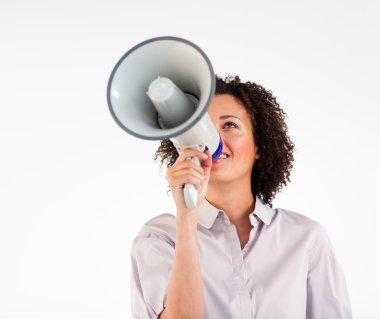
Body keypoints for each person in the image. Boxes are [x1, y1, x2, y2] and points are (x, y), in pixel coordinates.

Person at [130, 76, 353, 319]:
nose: (211, 140)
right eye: (201, 128)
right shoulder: (159, 238)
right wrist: (186, 217)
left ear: (259, 146)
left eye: (229, 125)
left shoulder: (306, 239)